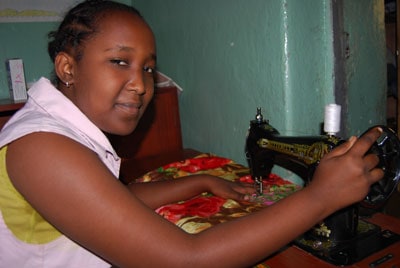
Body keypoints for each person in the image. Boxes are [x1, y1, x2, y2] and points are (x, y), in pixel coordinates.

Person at [0, 0, 384, 267]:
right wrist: (320, 197)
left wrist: (200, 181)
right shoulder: (43, 148)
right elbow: (186, 260)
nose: (140, 85)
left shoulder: (56, 132)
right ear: (68, 68)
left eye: (148, 69)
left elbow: (114, 201)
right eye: (120, 62)